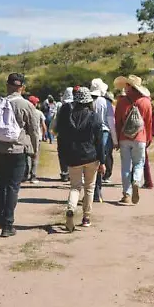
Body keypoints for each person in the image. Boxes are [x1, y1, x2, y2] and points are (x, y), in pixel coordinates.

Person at [0, 74, 40, 237]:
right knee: (13, 186)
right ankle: (8, 224)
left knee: (1, 183)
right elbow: (34, 131)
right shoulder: (27, 105)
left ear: (7, 85)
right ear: (22, 87)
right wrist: (35, 151)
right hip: (18, 149)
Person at [56, 86, 103, 231]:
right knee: (89, 187)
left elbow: (61, 139)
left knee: (75, 187)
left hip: (73, 156)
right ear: (89, 101)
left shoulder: (67, 116)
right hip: (91, 156)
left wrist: (63, 157)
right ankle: (86, 218)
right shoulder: (94, 116)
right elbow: (99, 141)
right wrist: (102, 160)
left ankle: (71, 208)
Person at [113, 75, 153, 204]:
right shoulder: (146, 101)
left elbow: (117, 122)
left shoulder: (121, 101)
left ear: (129, 86)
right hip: (140, 137)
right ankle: (136, 180)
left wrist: (117, 139)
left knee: (125, 166)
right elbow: (148, 123)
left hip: (125, 137)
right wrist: (148, 138)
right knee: (139, 163)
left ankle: (126, 194)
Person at [90, 78, 116, 203]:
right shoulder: (106, 103)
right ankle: (97, 192)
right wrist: (115, 140)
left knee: (90, 163)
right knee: (101, 162)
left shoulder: (87, 101)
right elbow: (111, 122)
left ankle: (91, 191)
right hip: (104, 133)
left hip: (89, 134)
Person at [50, 87, 73, 181]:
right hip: (73, 133)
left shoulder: (61, 105)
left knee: (62, 153)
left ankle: (64, 172)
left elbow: (55, 118)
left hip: (62, 133)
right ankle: (73, 172)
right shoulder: (76, 105)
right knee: (72, 153)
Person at [25, 95, 47, 183]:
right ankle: (33, 176)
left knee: (27, 157)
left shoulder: (26, 112)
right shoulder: (39, 113)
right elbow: (44, 126)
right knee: (35, 156)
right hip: (37, 137)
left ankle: (26, 175)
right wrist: (44, 135)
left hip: (27, 137)